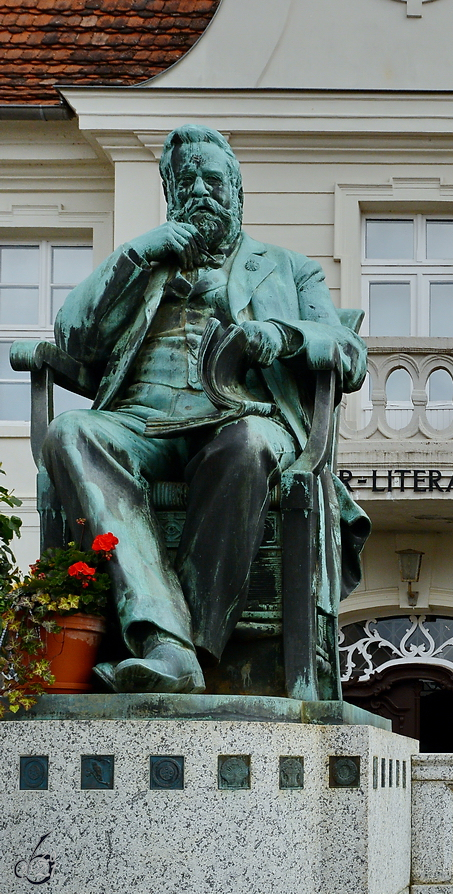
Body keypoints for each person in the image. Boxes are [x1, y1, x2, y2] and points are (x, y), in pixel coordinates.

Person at [40, 125, 368, 695]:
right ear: (168, 192)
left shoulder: (290, 269)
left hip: (240, 417)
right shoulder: (146, 263)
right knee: (70, 432)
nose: (200, 190)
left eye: (213, 179)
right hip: (141, 424)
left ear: (237, 193)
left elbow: (349, 352)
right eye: (185, 179)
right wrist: (143, 251)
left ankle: (180, 647)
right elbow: (72, 336)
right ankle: (169, 644)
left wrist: (281, 335)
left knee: (248, 445)